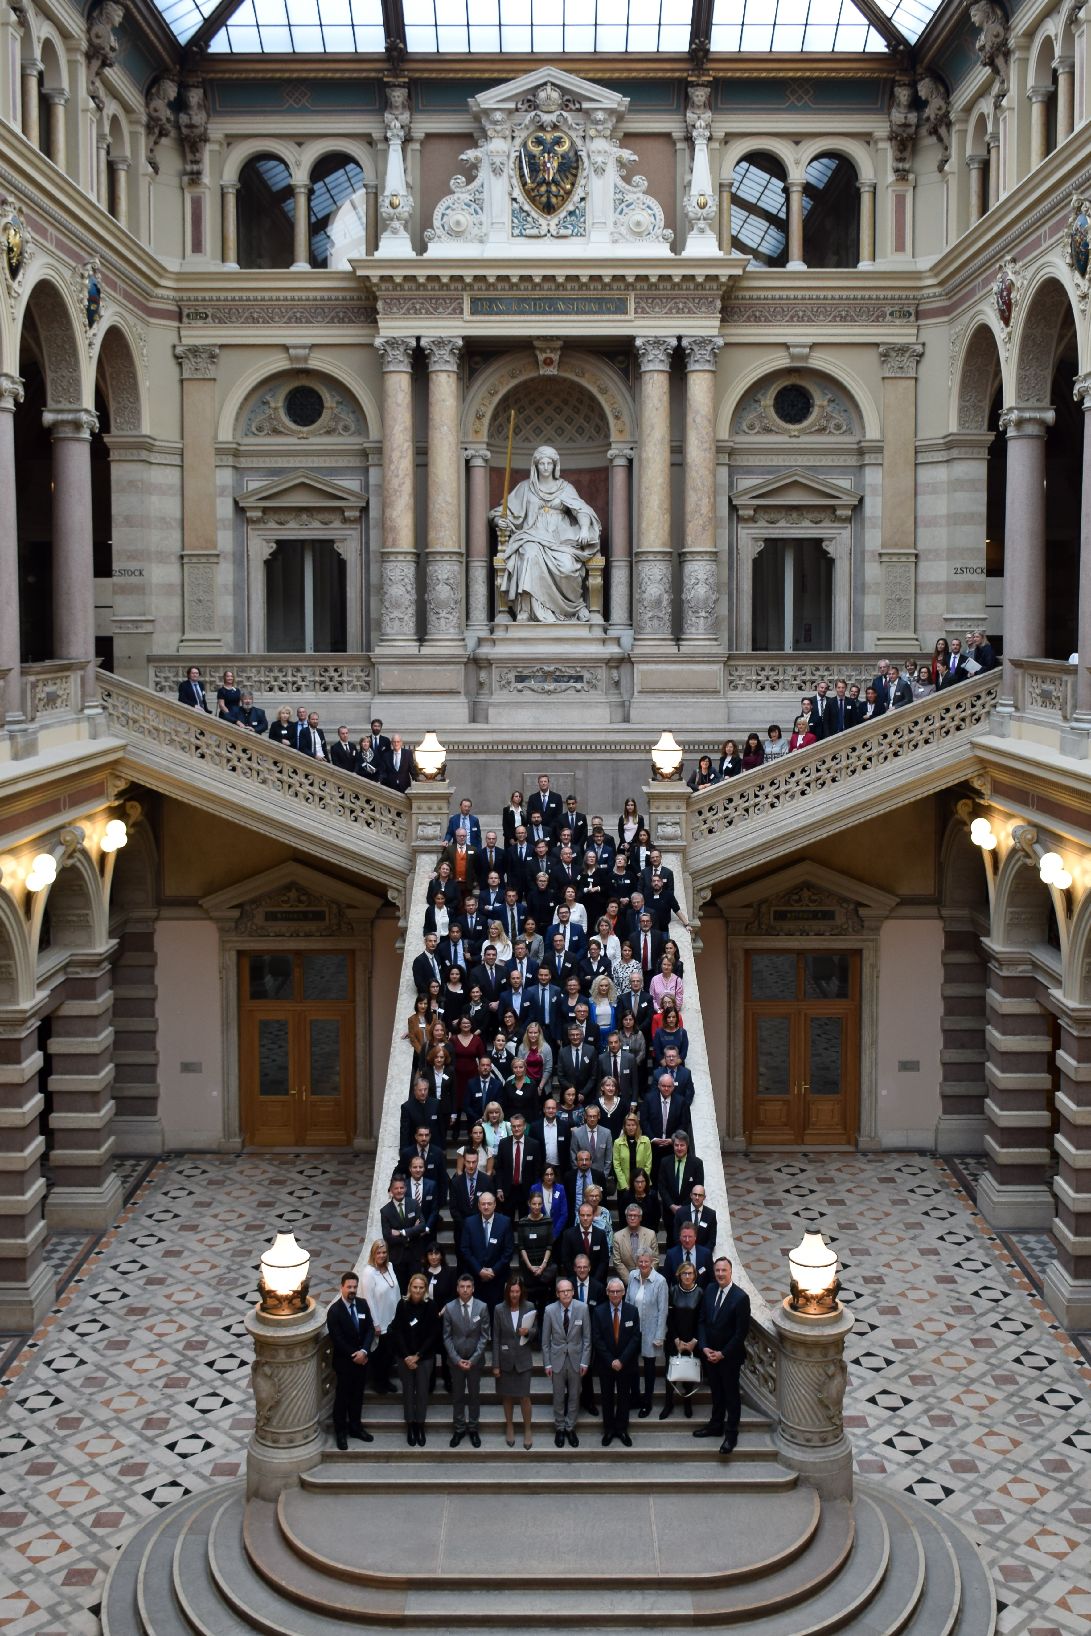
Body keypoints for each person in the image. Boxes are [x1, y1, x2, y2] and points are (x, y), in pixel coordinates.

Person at [492, 446, 601, 622]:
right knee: (528, 555)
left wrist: (584, 528)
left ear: (554, 465)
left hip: (561, 539)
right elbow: (500, 512)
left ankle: (574, 607)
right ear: (535, 465)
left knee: (567, 565)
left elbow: (582, 510)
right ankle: (525, 610)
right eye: (541, 463)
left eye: (548, 463)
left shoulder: (565, 487)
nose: (545, 467)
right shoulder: (525, 487)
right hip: (531, 535)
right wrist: (499, 521)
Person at [695, 1256, 751, 1456]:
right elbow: (701, 1321)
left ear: (730, 1272)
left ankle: (731, 1433)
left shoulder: (741, 1298)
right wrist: (703, 1347)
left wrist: (722, 1353)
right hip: (709, 1355)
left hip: (729, 1358)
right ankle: (715, 1425)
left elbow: (740, 1333)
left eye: (723, 1270)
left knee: (731, 1395)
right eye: (717, 1270)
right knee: (716, 1393)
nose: (720, 1274)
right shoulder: (709, 1290)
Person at [326, 1271, 376, 1450]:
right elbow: (337, 1339)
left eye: (355, 1287)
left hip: (362, 1362)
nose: (352, 1290)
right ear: (342, 1288)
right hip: (345, 1363)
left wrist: (364, 1351)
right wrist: (355, 1355)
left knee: (357, 1396)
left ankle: (356, 1427)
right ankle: (341, 1432)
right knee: (342, 1398)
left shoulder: (362, 1304)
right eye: (349, 1287)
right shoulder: (334, 1311)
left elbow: (370, 1329)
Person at [391, 1271, 440, 1446]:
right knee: (408, 1392)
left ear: (425, 1289)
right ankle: (410, 1425)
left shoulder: (431, 1306)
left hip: (424, 1357)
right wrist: (407, 1356)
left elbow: (433, 1333)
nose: (418, 1290)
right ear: (410, 1288)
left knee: (421, 1393)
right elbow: (397, 1332)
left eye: (421, 1287)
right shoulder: (402, 1305)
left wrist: (417, 1356)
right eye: (415, 1287)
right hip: (404, 1357)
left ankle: (420, 1424)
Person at [592, 1276, 641, 1447]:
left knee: (623, 1398)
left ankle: (622, 1429)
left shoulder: (632, 1311)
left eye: (617, 1291)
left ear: (623, 1292)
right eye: (611, 1291)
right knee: (606, 1397)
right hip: (606, 1364)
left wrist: (621, 1360)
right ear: (606, 1292)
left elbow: (635, 1338)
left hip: (626, 1364)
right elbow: (597, 1339)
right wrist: (611, 1360)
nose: (614, 1294)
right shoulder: (598, 1312)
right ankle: (609, 1430)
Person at [540, 1276, 589, 1448]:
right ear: (557, 1294)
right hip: (557, 1360)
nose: (566, 1293)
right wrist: (547, 1363)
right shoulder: (549, 1310)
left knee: (575, 1395)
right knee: (559, 1396)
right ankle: (559, 1428)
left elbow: (587, 1339)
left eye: (568, 1290)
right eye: (562, 1291)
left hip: (576, 1360)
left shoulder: (583, 1308)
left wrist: (584, 1362)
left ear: (573, 1292)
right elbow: (545, 1341)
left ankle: (570, 1427)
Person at [443, 1273, 491, 1448]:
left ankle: (473, 1428)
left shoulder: (482, 1307)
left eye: (468, 1287)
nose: (465, 1290)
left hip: (475, 1362)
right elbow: (446, 1337)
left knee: (474, 1396)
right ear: (457, 1288)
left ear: (473, 1288)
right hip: (455, 1362)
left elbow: (485, 1336)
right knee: (457, 1396)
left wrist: (473, 1359)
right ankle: (459, 1429)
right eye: (462, 1287)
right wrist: (457, 1359)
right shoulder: (449, 1308)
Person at [492, 1272, 538, 1448]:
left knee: (524, 1397)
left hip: (523, 1360)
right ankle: (509, 1425)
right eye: (512, 1291)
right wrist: (495, 1364)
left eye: (517, 1291)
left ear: (522, 1292)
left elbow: (536, 1330)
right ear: (507, 1291)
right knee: (507, 1397)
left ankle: (527, 1429)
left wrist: (529, 1332)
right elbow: (495, 1337)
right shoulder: (498, 1309)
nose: (514, 1295)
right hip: (504, 1360)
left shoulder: (529, 1307)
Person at [355, 1239, 400, 1394]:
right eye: (378, 1252)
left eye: (384, 1252)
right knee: (379, 1356)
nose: (382, 1255)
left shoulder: (390, 1267)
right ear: (373, 1254)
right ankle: (378, 1383)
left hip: (392, 1319)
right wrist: (375, 1323)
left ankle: (386, 1381)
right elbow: (368, 1299)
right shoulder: (368, 1273)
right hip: (379, 1322)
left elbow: (396, 1291)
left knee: (389, 1355)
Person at [627, 1250, 668, 1418]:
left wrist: (659, 1336)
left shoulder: (660, 1281)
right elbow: (628, 1302)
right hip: (633, 1331)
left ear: (652, 1262)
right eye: (640, 1261)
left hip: (651, 1330)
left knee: (649, 1369)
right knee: (632, 1367)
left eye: (646, 1262)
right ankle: (635, 1397)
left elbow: (663, 1310)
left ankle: (647, 1402)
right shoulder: (632, 1276)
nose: (643, 1264)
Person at [660, 1257, 702, 1420]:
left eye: (690, 1273)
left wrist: (694, 1341)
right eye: (684, 1273)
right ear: (679, 1275)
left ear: (694, 1275)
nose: (687, 1276)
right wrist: (676, 1339)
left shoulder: (700, 1293)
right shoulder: (673, 1291)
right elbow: (669, 1317)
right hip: (674, 1339)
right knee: (670, 1374)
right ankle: (668, 1404)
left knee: (688, 1374)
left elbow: (701, 1319)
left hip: (692, 1340)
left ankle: (687, 1403)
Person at [460, 1189, 513, 1308]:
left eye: (489, 1203)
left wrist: (493, 1271)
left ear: (495, 1205)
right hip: (476, 1277)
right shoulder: (469, 1222)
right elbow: (465, 1249)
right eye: (483, 1204)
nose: (486, 1206)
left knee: (495, 1313)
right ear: (478, 1205)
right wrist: (479, 1270)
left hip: (497, 1278)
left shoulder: (505, 1222)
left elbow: (508, 1251)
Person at [379, 1174, 426, 1290]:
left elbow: (422, 1226)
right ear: (391, 1190)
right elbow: (388, 1237)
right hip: (397, 1258)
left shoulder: (414, 1204)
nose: (399, 1191)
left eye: (401, 1188)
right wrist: (411, 1233)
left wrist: (402, 1232)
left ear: (405, 1188)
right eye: (396, 1188)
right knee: (401, 1290)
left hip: (415, 1256)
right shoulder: (385, 1211)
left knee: (417, 1288)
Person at [517, 1189, 555, 1318]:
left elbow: (549, 1245)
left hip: (544, 1268)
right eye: (534, 1204)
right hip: (528, 1269)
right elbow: (521, 1246)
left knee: (545, 1304)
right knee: (530, 1306)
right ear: (529, 1204)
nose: (537, 1207)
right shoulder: (522, 1222)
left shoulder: (547, 1221)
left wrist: (542, 1266)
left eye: (539, 1204)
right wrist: (530, 1266)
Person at [613, 1113, 652, 1210]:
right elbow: (616, 1165)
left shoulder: (646, 1141)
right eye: (628, 1125)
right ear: (624, 1127)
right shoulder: (618, 1143)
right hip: (624, 1186)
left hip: (642, 1185)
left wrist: (642, 1182)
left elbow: (648, 1164)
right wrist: (624, 1185)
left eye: (633, 1125)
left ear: (637, 1126)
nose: (631, 1128)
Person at [612, 1200, 658, 1279]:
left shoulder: (651, 1234)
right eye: (630, 1215)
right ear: (626, 1218)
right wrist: (630, 1281)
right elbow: (617, 1262)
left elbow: (655, 1259)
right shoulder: (617, 1236)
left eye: (635, 1215)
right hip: (627, 1279)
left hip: (647, 1278)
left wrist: (646, 1277)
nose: (632, 1218)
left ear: (640, 1218)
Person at [528, 1162, 568, 1239]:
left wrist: (555, 1233)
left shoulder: (560, 1189)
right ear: (542, 1176)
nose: (549, 1177)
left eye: (551, 1174)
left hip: (557, 1231)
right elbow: (531, 1211)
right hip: (539, 1230)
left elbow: (564, 1214)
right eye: (546, 1174)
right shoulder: (534, 1188)